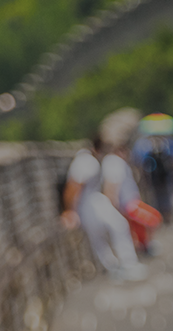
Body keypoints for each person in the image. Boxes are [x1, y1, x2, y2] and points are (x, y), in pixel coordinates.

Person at [63, 108, 148, 283]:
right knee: (115, 227)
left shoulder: (86, 160)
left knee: (101, 236)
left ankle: (115, 267)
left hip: (88, 202)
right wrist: (70, 211)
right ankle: (122, 265)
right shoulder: (87, 161)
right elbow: (72, 187)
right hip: (87, 204)